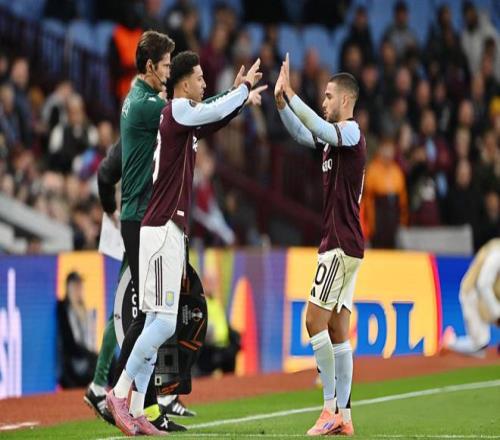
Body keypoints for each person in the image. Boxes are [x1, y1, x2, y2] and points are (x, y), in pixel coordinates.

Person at [106, 50, 265, 436]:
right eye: (200, 78)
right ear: (183, 83)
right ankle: (120, 392)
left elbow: (213, 115)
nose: (205, 84)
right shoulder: (177, 110)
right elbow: (209, 111)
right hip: (162, 230)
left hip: (166, 231)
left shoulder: (183, 120)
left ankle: (139, 411)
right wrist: (242, 90)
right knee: (162, 323)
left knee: (158, 321)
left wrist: (238, 99)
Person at [275, 54, 365, 436]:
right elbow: (303, 134)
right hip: (347, 244)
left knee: (313, 321)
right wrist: (282, 105)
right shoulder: (333, 141)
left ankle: (329, 407)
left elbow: (318, 127)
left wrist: (292, 93)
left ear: (345, 100)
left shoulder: (352, 132)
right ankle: (345, 415)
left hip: (339, 244)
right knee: (339, 331)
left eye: (328, 96)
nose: (324, 101)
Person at [442, 238, 500, 356]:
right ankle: (449, 342)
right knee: (480, 345)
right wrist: (497, 313)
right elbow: (483, 284)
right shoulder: (497, 254)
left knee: (480, 348)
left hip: (489, 294)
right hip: (472, 294)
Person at [57, 272, 97, 388]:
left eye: (80, 286)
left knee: (107, 360)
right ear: (70, 288)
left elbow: (88, 340)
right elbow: (71, 344)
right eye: (76, 286)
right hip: (74, 364)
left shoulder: (83, 309)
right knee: (102, 362)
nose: (79, 290)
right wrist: (92, 356)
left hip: (84, 358)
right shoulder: (65, 309)